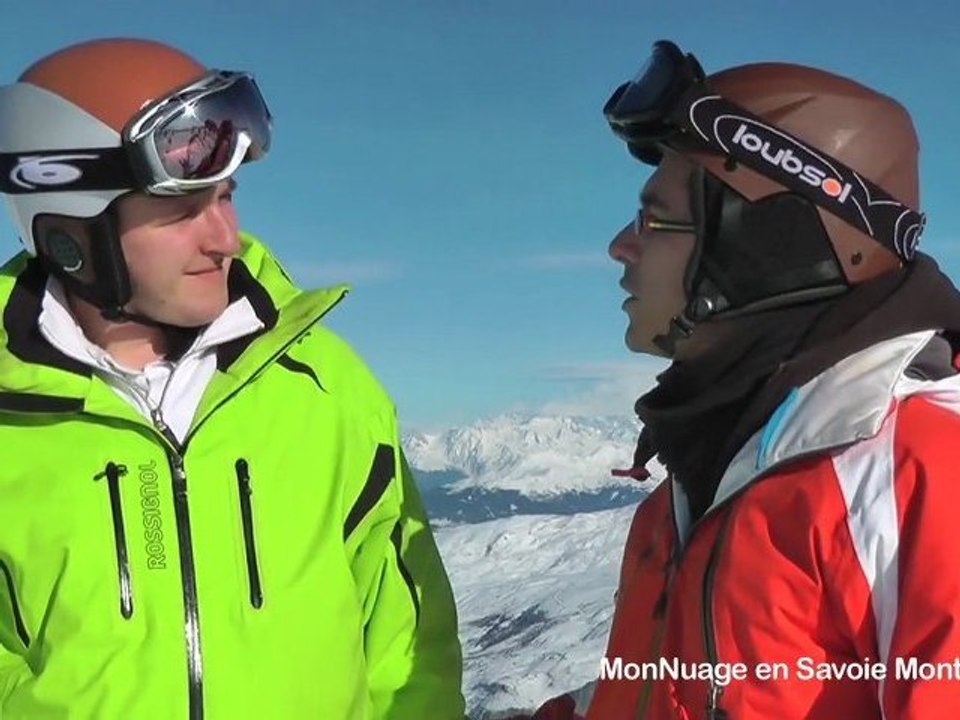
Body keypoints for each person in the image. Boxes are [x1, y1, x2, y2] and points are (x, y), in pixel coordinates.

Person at [0, 38, 464, 719]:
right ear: (72, 228)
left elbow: (406, 647)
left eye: (226, 197)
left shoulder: (325, 387)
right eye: (184, 210)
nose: (226, 236)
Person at [514, 40, 960, 719]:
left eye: (654, 217)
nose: (619, 246)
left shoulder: (921, 470)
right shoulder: (708, 468)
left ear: (767, 243)